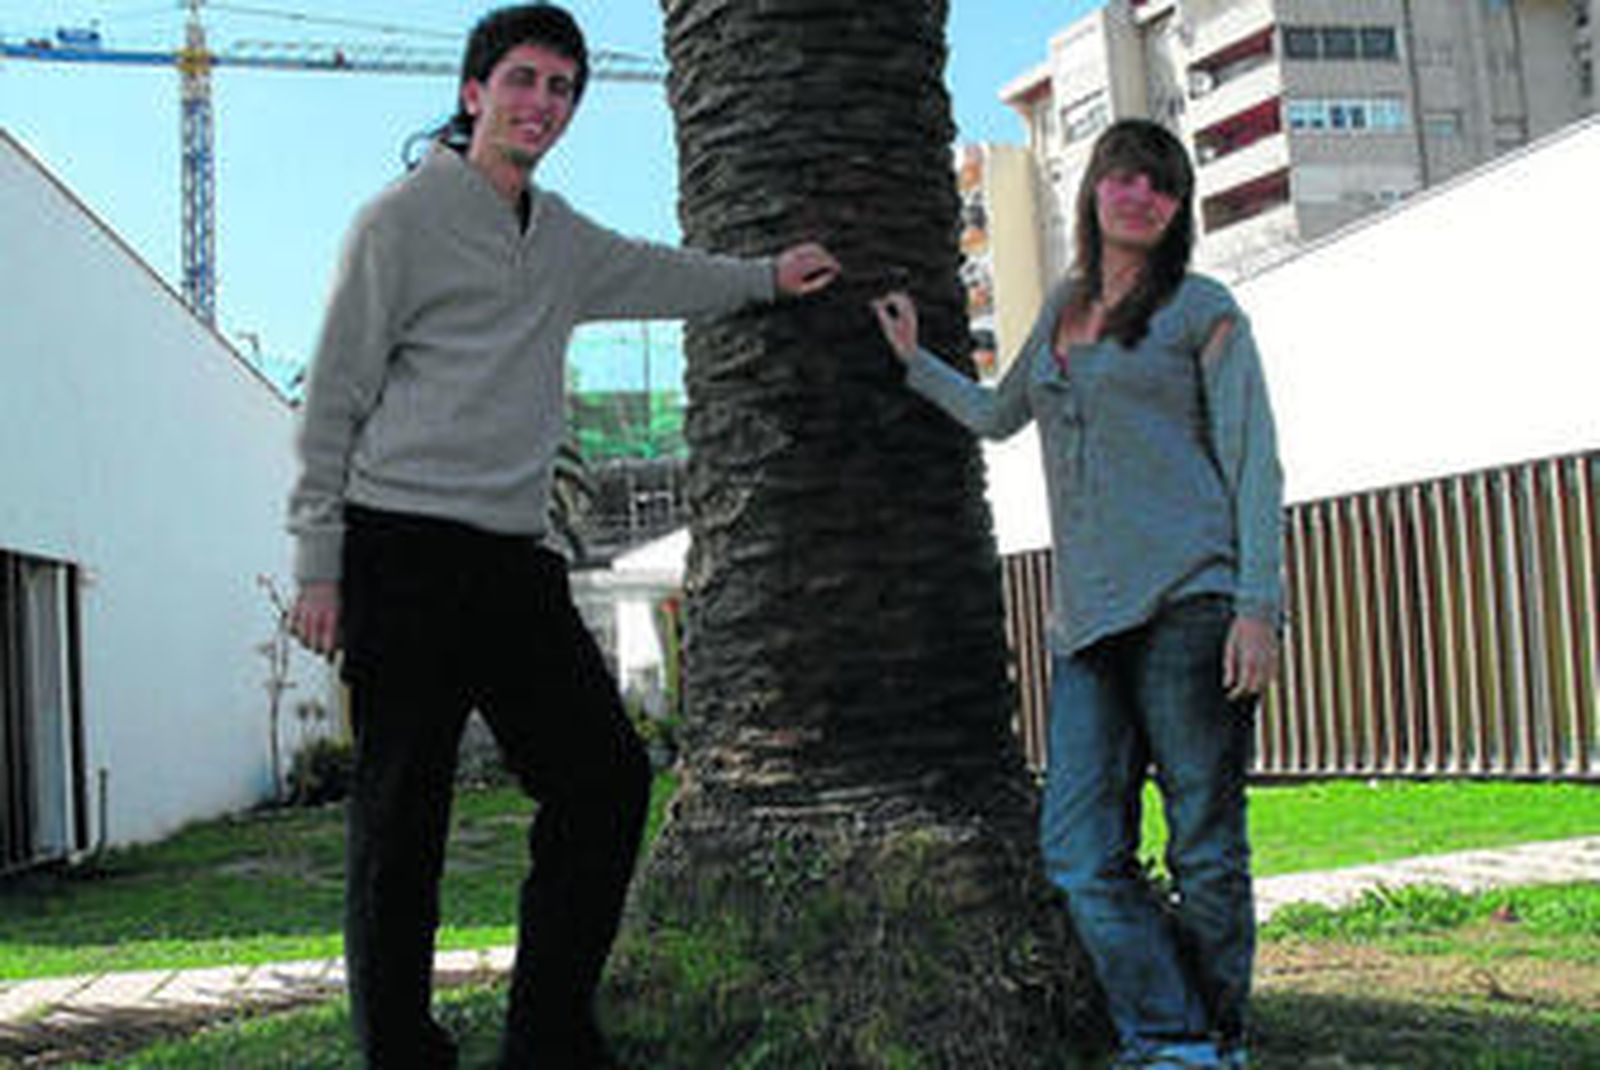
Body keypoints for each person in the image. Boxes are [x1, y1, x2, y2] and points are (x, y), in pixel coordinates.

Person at [285, 6, 840, 1067]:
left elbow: (667, 273)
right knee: (403, 819)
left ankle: (546, 1032)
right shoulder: (395, 222)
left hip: (515, 560)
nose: (542, 103)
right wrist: (319, 563)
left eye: (562, 88)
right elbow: (333, 403)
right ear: (472, 93)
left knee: (605, 779)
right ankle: (400, 1049)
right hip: (397, 549)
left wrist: (768, 275)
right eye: (524, 79)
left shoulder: (565, 239)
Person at [871, 119, 1282, 1070]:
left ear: (1178, 210)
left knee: (1205, 847)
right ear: (1095, 187)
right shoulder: (1061, 306)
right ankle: (1174, 1029)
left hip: (1193, 604)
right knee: (1078, 851)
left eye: (1162, 188)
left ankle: (1211, 1042)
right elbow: (995, 414)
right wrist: (911, 360)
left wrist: (1259, 606)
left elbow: (1256, 464)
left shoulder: (1202, 310)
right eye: (1125, 179)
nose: (1140, 198)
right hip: (1087, 624)